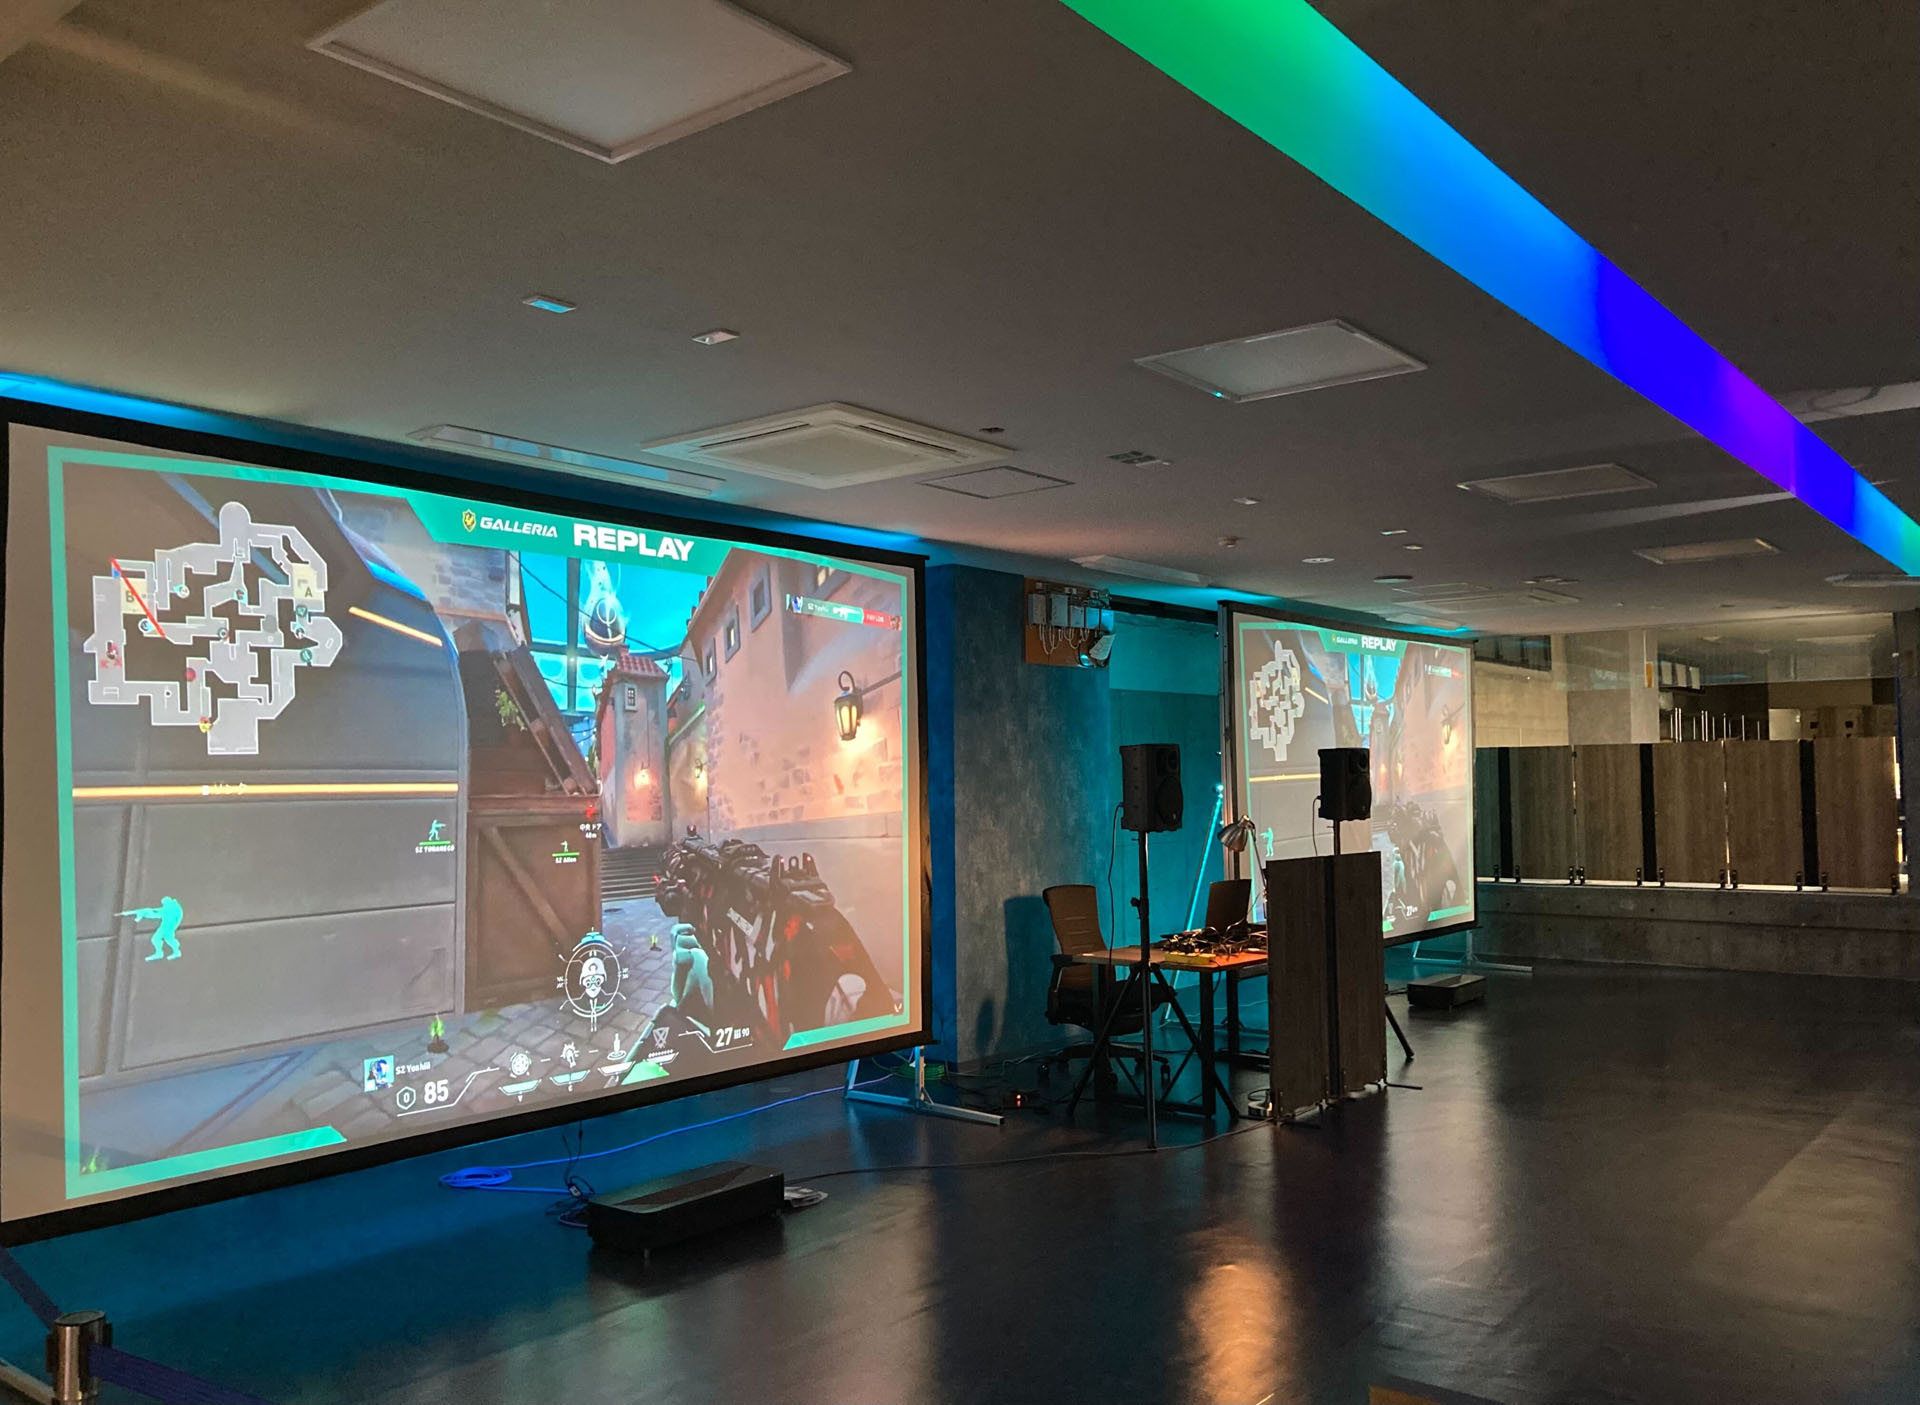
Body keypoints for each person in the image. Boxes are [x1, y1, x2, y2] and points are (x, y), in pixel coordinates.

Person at [119, 896, 184, 961]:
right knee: (168, 939)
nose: (164, 905)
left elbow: (155, 913)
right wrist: (144, 913)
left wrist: (145, 912)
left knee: (156, 939)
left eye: (164, 903)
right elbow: (156, 913)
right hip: (169, 927)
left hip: (166, 927)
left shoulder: (169, 909)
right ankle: (175, 952)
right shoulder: (174, 908)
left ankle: (160, 953)